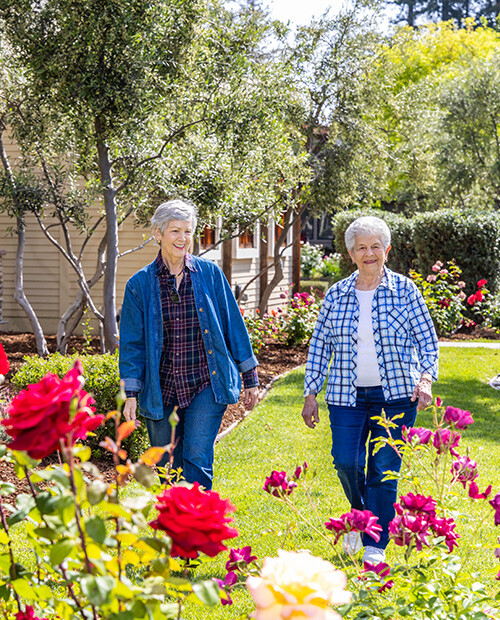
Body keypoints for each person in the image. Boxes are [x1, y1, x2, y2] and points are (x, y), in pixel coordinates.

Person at [301, 216, 439, 564]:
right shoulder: (336, 294)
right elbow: (319, 346)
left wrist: (425, 378)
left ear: (387, 250)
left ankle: (375, 543)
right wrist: (310, 393)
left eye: (376, 246)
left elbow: (427, 341)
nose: (369, 253)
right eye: (361, 247)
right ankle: (360, 515)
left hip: (395, 396)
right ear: (351, 253)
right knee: (345, 461)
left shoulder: (405, 291)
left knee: (384, 466)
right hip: (347, 397)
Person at [119, 199, 259, 490]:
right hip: (162, 385)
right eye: (175, 231)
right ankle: (172, 527)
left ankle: (197, 527)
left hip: (206, 382)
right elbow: (133, 344)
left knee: (197, 457)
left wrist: (250, 377)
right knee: (165, 463)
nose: (183, 238)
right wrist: (131, 392)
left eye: (188, 231)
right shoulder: (139, 284)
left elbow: (233, 324)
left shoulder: (209, 275)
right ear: (158, 234)